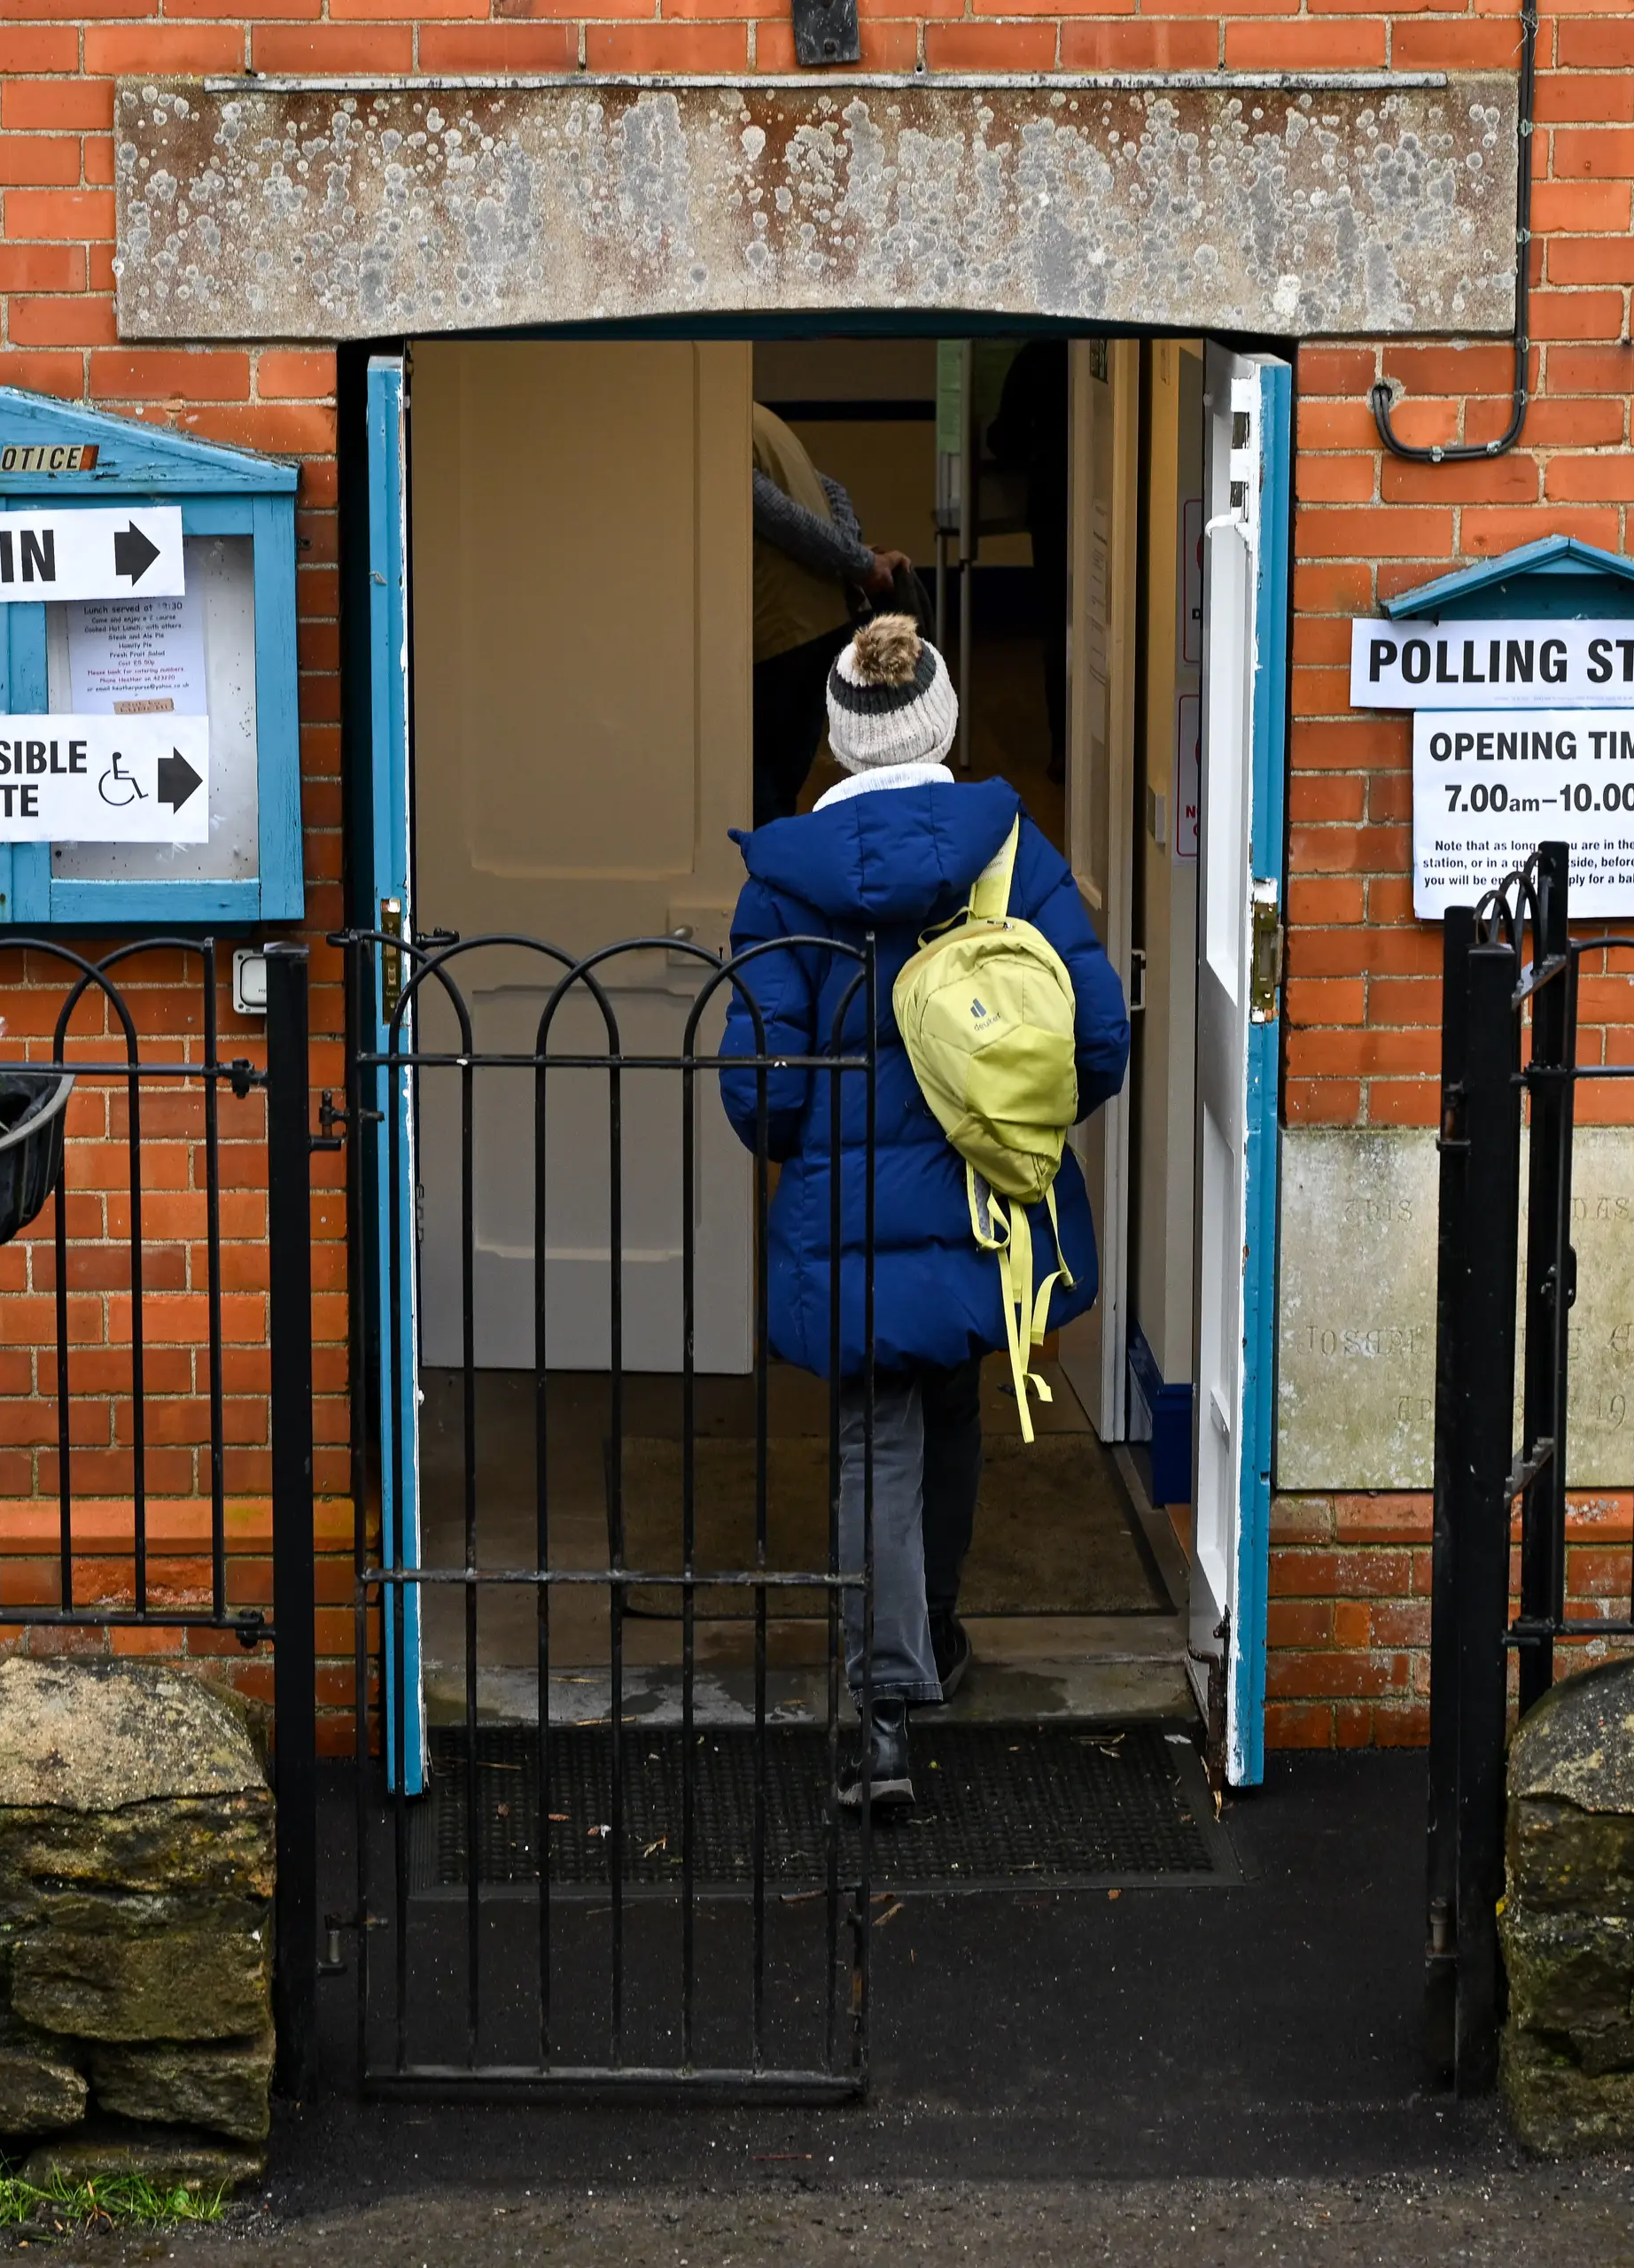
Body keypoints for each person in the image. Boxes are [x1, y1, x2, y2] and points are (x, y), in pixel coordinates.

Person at [716, 614, 1129, 1813]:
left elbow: (762, 1086)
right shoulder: (1013, 852)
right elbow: (1095, 1035)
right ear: (941, 722)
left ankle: (883, 1709)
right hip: (987, 1198)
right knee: (952, 1412)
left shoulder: (782, 880)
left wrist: (809, 1151)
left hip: (846, 1211)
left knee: (872, 1437)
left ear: (839, 740)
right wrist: (1021, 1132)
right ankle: (935, 1640)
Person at [751, 404, 912, 827]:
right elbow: (832, 492)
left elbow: (783, 520)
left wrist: (860, 562)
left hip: (776, 633)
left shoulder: (718, 432)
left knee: (756, 786)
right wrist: (853, 554)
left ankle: (770, 882)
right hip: (822, 623)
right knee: (781, 783)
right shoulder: (761, 417)